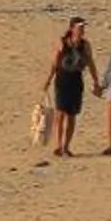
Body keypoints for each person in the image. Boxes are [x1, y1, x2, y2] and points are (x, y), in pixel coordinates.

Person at [41, 18, 100, 158]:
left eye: (83, 28)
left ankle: (66, 147)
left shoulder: (85, 45)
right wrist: (48, 81)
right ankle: (59, 145)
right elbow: (54, 64)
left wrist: (96, 81)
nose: (82, 31)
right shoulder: (63, 44)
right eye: (79, 28)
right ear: (72, 29)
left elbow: (91, 64)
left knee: (72, 115)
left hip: (76, 80)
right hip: (62, 80)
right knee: (60, 114)